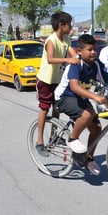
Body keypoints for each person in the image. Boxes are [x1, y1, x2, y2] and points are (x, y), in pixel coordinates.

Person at [54, 34, 108, 176]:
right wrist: (95, 97)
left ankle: (88, 159)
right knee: (88, 114)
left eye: (94, 50)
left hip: (80, 98)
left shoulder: (96, 64)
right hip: (64, 97)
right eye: (89, 49)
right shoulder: (76, 64)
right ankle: (72, 139)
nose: (93, 52)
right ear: (79, 51)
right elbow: (74, 87)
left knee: (97, 128)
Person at [36, 11, 79, 157]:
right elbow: (50, 59)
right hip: (46, 81)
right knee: (44, 109)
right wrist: (68, 60)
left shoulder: (66, 40)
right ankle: (39, 141)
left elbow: (74, 54)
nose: (71, 27)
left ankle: (54, 136)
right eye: (70, 24)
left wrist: (83, 59)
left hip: (58, 80)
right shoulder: (51, 40)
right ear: (61, 25)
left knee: (58, 108)